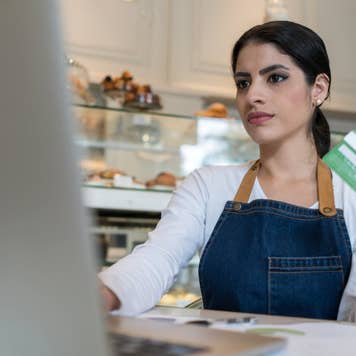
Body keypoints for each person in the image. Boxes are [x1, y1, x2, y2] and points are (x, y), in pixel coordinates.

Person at [99, 21, 356, 321]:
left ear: (319, 89)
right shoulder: (207, 186)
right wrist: (103, 294)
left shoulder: (349, 193)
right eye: (243, 83)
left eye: (275, 77)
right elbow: (157, 259)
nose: (253, 96)